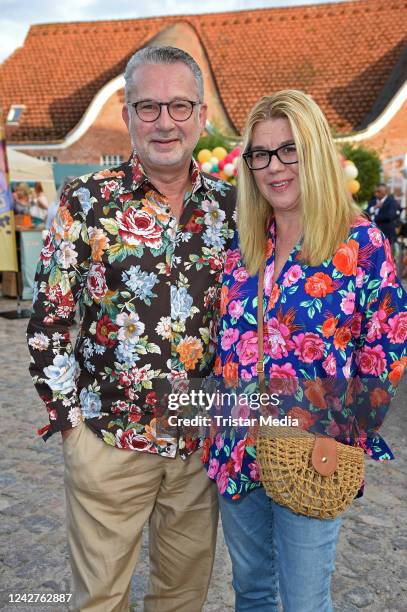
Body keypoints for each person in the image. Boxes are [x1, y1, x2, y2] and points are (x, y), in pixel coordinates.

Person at [26, 45, 236, 612]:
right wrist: (72, 428)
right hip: (109, 441)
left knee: (182, 598)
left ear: (201, 116)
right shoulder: (85, 202)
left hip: (199, 448)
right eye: (148, 107)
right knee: (100, 600)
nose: (164, 121)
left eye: (179, 106)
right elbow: (48, 323)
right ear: (126, 114)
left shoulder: (236, 209)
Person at [203, 90, 407, 612]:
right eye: (261, 154)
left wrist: (346, 439)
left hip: (311, 453)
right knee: (250, 592)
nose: (275, 167)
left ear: (314, 151)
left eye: (289, 149)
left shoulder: (361, 245)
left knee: (304, 602)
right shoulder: (244, 246)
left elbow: (385, 354)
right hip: (237, 449)